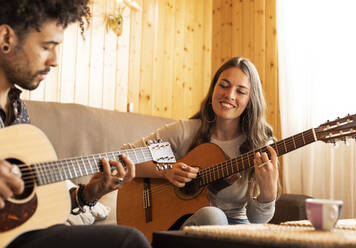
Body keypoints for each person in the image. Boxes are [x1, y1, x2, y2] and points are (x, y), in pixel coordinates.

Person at [0, 0, 150, 247]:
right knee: (128, 241)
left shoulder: (17, 112)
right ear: (6, 37)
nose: (54, 60)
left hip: (20, 237)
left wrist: (90, 193)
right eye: (47, 46)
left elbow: (34, 207)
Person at [122, 57, 280, 227]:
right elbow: (123, 158)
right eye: (223, 85)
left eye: (240, 91)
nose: (229, 95)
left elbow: (258, 220)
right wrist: (165, 171)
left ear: (250, 100)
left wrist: (268, 191)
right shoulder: (185, 132)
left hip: (237, 230)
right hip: (184, 225)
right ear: (213, 89)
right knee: (212, 216)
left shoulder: (261, 145)